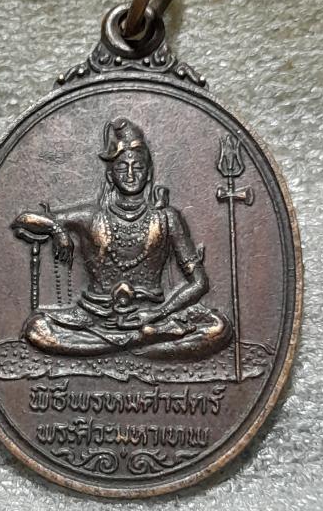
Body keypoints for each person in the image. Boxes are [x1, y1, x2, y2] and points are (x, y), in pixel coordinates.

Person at [12, 117, 231, 361]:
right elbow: (24, 219)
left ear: (148, 173)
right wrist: (57, 230)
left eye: (138, 168)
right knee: (37, 328)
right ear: (110, 176)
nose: (130, 175)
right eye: (121, 168)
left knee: (219, 327)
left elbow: (199, 282)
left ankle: (115, 346)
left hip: (152, 315)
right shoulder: (91, 217)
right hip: (94, 318)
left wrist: (158, 313)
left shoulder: (167, 218)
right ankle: (141, 344)